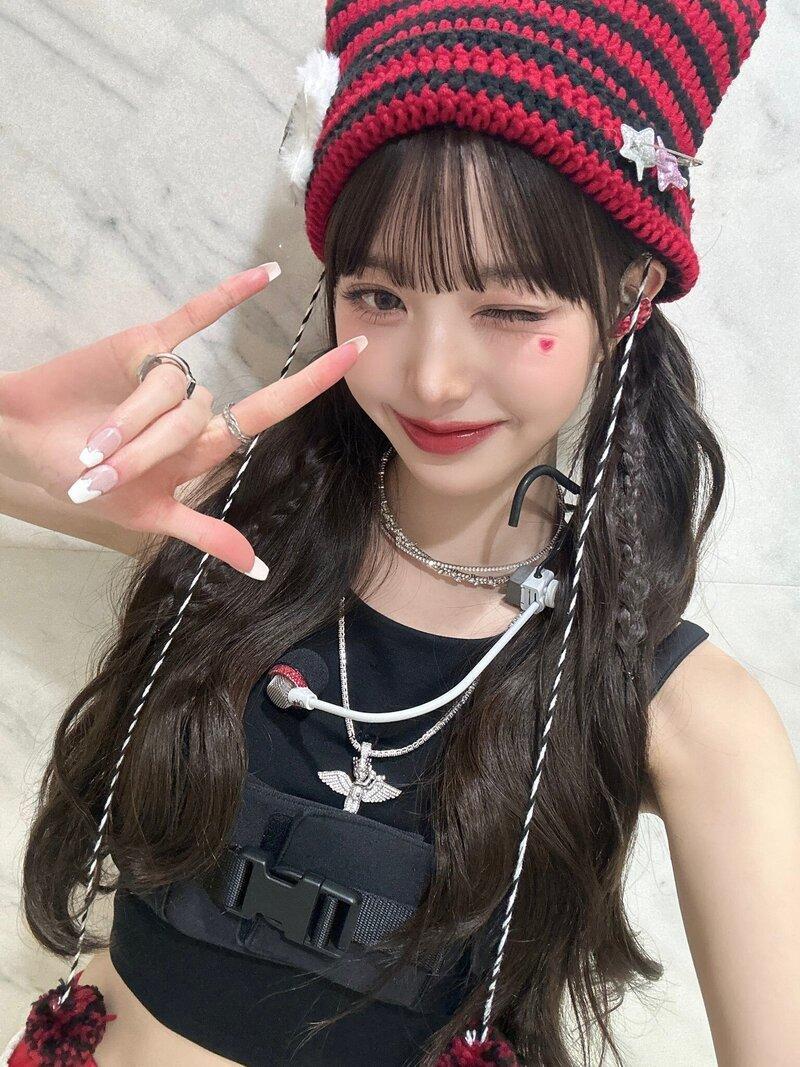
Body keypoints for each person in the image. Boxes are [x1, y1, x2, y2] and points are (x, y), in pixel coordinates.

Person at [3, 3, 798, 1067]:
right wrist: (13, 433)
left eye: (508, 310)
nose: (429, 377)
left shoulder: (677, 706)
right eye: (378, 294)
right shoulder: (224, 530)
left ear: (627, 297)